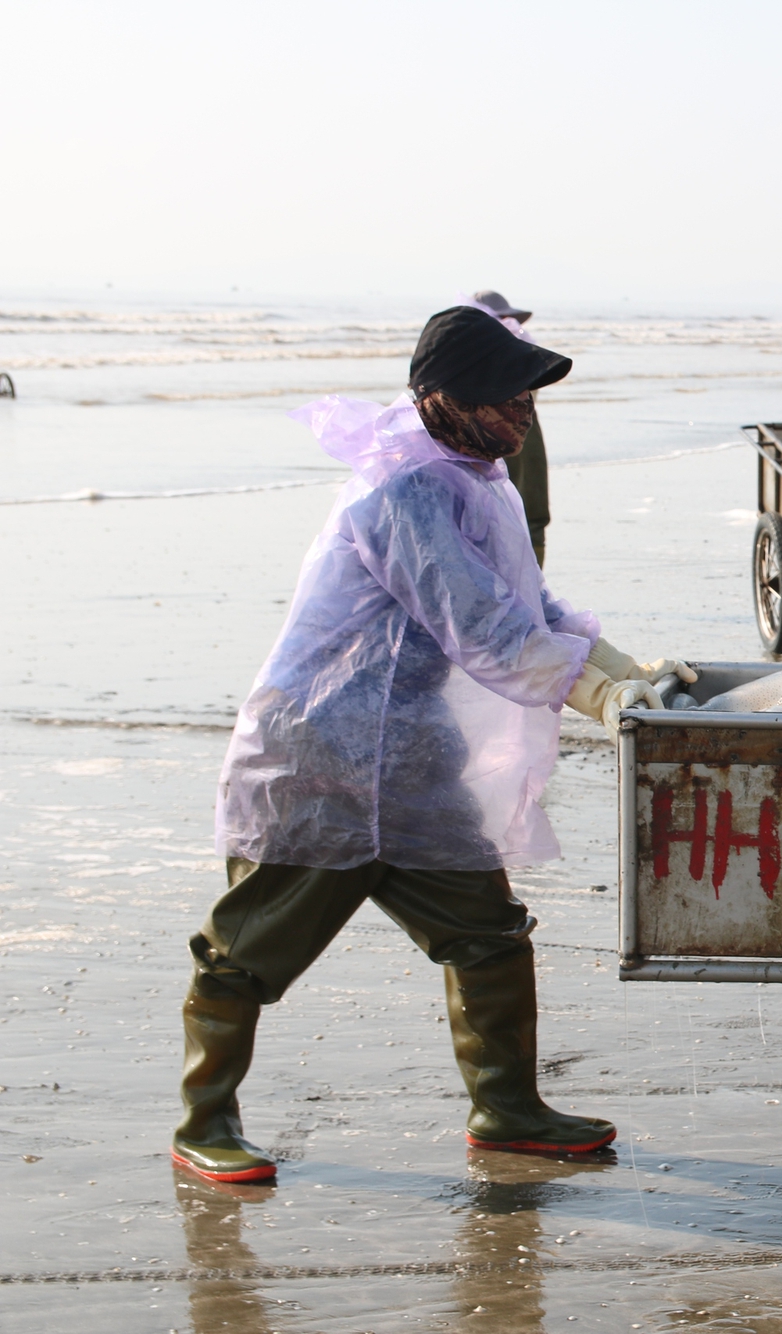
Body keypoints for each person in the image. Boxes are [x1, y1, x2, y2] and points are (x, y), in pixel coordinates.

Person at [173, 306, 695, 1184]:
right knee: (247, 952)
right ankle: (205, 1120)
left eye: (528, 398)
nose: (522, 415)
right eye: (507, 398)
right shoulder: (401, 492)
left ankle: (508, 1112)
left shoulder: (472, 477)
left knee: (487, 935)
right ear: (442, 398)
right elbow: (484, 628)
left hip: (412, 762)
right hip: (323, 760)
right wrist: (602, 698)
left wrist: (624, 666)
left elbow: (534, 606)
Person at [470, 290, 552, 566]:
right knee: (515, 515)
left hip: (516, 436)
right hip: (507, 437)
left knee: (526, 513)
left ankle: (532, 592)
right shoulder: (511, 348)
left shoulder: (480, 352)